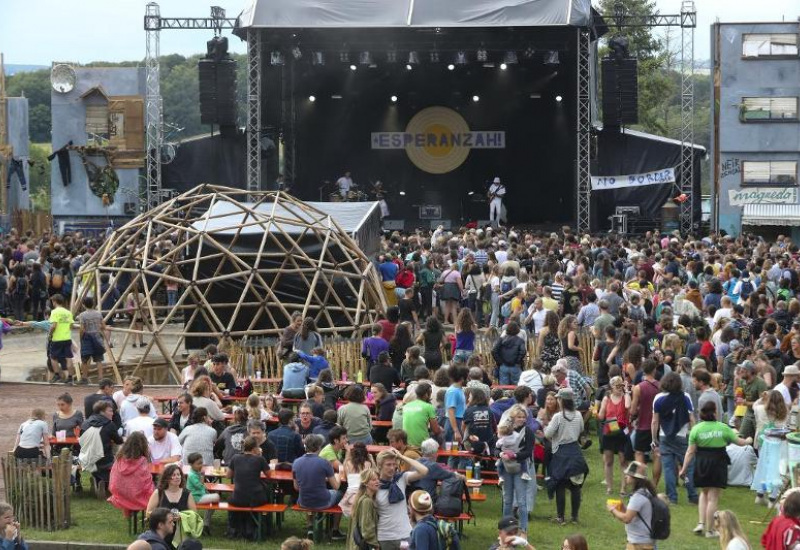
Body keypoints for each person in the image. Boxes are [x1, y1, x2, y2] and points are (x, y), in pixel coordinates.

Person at [679, 401, 753, 538]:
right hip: (717, 462)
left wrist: (683, 469)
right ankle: (710, 530)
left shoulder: (696, 429)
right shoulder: (723, 428)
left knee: (703, 493)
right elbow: (740, 442)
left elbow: (690, 452)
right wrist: (749, 440)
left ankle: (701, 523)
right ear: (714, 412)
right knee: (713, 498)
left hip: (701, 462)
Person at [545, 388, 588, 526]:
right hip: (575, 451)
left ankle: (561, 517)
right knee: (575, 486)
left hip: (561, 452)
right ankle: (574, 517)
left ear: (562, 400)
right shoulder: (578, 415)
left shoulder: (558, 417)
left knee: (560, 485)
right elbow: (581, 429)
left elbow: (548, 434)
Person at [652, 371, 697, 506]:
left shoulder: (658, 398)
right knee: (688, 466)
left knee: (668, 468)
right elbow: (691, 418)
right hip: (682, 436)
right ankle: (692, 495)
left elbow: (655, 421)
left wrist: (654, 439)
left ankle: (672, 497)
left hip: (664, 436)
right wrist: (695, 436)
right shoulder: (685, 397)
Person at [374, 448, 429, 550]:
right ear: (380, 466)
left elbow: (424, 471)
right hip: (384, 537)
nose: (392, 468)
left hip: (405, 533)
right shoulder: (374, 485)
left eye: (394, 464)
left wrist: (401, 456)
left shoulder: (401, 479)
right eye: (388, 465)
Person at [293, 434, 343, 539]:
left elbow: (296, 487)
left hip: (303, 501)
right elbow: (336, 486)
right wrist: (338, 476)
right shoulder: (325, 463)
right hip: (322, 501)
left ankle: (310, 526)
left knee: (311, 492)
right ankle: (335, 529)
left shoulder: (296, 462)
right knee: (340, 493)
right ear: (320, 446)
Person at [497, 404, 535, 533]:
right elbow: (496, 447)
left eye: (524, 417)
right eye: (519, 417)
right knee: (507, 499)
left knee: (521, 501)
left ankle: (523, 530)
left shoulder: (528, 432)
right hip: (506, 467)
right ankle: (505, 529)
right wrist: (501, 454)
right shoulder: (505, 429)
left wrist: (514, 455)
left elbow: (529, 451)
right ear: (513, 417)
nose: (522, 419)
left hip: (520, 466)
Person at [227, 435, 270, 539]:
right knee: (267, 495)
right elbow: (269, 475)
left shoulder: (235, 458)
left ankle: (235, 529)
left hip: (237, 498)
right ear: (255, 448)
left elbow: (228, 475)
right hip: (256, 498)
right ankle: (261, 528)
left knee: (230, 499)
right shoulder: (260, 459)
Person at [607, 461, 656, 550]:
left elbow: (627, 518)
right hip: (645, 541)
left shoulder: (638, 496)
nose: (626, 476)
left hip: (639, 544)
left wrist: (612, 509)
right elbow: (636, 514)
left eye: (629, 475)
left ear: (635, 478)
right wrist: (623, 508)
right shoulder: (646, 492)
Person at [79, 399, 123, 497]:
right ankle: (105, 483)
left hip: (87, 459)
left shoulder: (86, 423)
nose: (112, 414)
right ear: (102, 411)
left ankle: (98, 481)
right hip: (104, 460)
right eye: (110, 411)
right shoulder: (109, 424)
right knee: (117, 455)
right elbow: (119, 441)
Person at [145, 464, 197, 546]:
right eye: (173, 475)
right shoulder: (158, 493)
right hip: (162, 533)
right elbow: (148, 513)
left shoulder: (187, 494)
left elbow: (194, 515)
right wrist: (165, 517)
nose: (177, 477)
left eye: (178, 474)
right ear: (167, 478)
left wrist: (182, 516)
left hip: (181, 534)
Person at [597, 376, 630, 496]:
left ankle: (623, 488)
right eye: (617, 386)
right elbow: (601, 416)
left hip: (621, 432)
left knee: (623, 461)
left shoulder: (625, 397)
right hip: (609, 431)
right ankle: (609, 488)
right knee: (608, 460)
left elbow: (627, 406)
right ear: (611, 387)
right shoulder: (606, 399)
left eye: (621, 385)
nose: (620, 388)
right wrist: (596, 412)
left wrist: (626, 392)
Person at [109, 432, 155, 514]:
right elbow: (146, 483)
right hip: (137, 496)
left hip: (120, 495)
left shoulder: (119, 459)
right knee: (155, 491)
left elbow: (113, 478)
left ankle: (130, 510)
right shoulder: (142, 461)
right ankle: (148, 516)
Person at [346, 467, 380, 550]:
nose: (377, 482)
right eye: (373, 480)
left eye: (378, 479)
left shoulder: (362, 498)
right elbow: (367, 529)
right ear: (365, 483)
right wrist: (375, 544)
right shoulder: (367, 501)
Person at [340, 443, 375, 517]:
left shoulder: (348, 463)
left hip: (349, 496)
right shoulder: (368, 464)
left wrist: (348, 455)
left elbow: (344, 477)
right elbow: (375, 474)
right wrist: (371, 459)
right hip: (363, 494)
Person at [77, 296, 107, 381]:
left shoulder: (82, 315)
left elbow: (82, 329)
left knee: (85, 359)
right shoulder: (98, 313)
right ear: (93, 304)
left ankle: (84, 378)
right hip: (97, 337)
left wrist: (80, 338)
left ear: (84, 305)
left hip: (87, 338)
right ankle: (101, 378)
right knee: (99, 359)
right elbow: (103, 326)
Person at [48, 294, 76, 384]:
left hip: (57, 338)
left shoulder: (54, 312)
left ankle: (57, 375)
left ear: (54, 302)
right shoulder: (68, 312)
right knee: (69, 358)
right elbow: (71, 325)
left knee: (53, 357)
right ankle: (70, 377)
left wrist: (50, 334)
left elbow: (54, 325)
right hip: (67, 338)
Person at [492, 321, 527, 385]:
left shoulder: (501, 339)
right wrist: (517, 361)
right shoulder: (520, 340)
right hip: (515, 366)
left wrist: (500, 361)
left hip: (503, 366)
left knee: (503, 387)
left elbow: (494, 350)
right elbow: (523, 351)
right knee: (517, 387)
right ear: (517, 330)